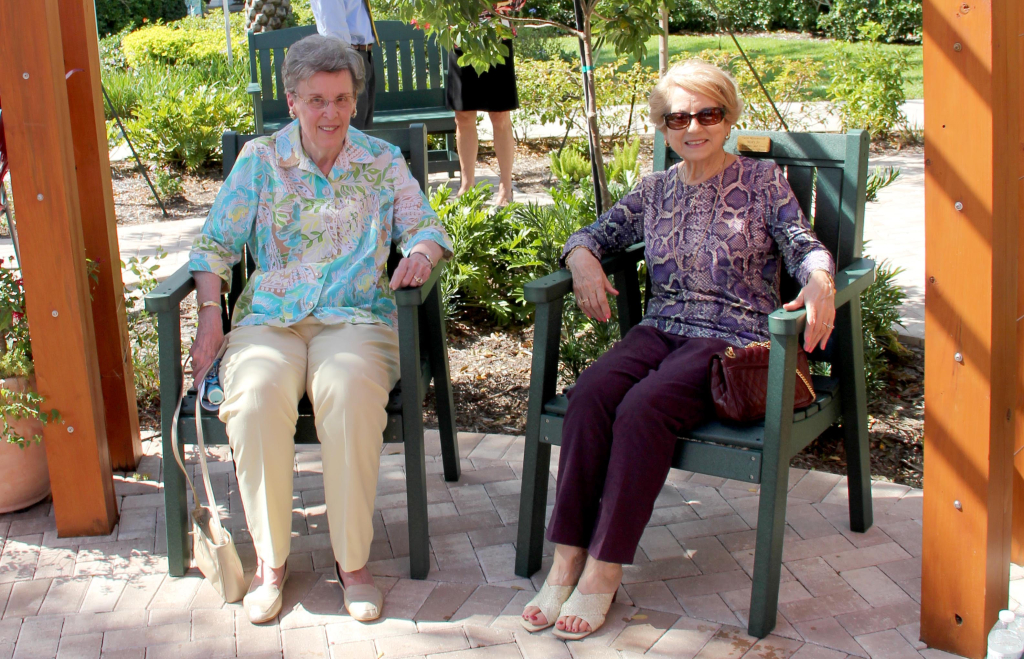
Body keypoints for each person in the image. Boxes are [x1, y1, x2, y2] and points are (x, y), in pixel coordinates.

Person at [519, 59, 837, 641]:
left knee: (645, 407)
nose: (694, 127)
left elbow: (801, 243)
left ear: (728, 116)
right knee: (590, 395)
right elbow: (592, 234)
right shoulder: (655, 189)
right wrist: (582, 259)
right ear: (662, 127)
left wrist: (821, 280)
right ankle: (566, 557)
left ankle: (603, 569)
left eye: (708, 113)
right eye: (677, 117)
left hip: (732, 335)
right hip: (662, 327)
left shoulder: (762, 183)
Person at [188, 35, 452, 625]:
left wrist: (421, 255)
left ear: (355, 100)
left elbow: (426, 226)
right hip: (270, 321)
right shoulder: (259, 161)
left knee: (350, 389)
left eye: (340, 98)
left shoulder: (381, 162)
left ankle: (352, 563)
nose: (330, 113)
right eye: (316, 100)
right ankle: (270, 564)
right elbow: (213, 248)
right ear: (292, 101)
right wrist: (210, 319)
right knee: (254, 396)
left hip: (356, 317)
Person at [446, 0, 525, 205]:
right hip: (461, 35)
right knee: (463, 115)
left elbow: (518, 2)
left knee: (500, 115)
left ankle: (506, 189)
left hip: (497, 36)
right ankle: (467, 187)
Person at [309, 0, 378, 129]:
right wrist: (346, 65)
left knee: (364, 132)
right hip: (347, 57)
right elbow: (334, 32)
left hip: (364, 55)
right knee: (352, 132)